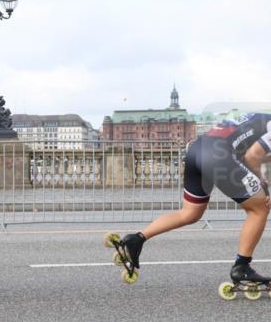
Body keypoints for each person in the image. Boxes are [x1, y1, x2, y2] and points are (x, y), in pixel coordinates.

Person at [114, 112, 271, 285]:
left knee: (190, 213)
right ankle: (242, 267)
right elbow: (252, 157)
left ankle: (136, 239)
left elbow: (246, 150)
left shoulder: (261, 118)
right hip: (218, 156)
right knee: (260, 208)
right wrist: (265, 188)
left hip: (198, 150)